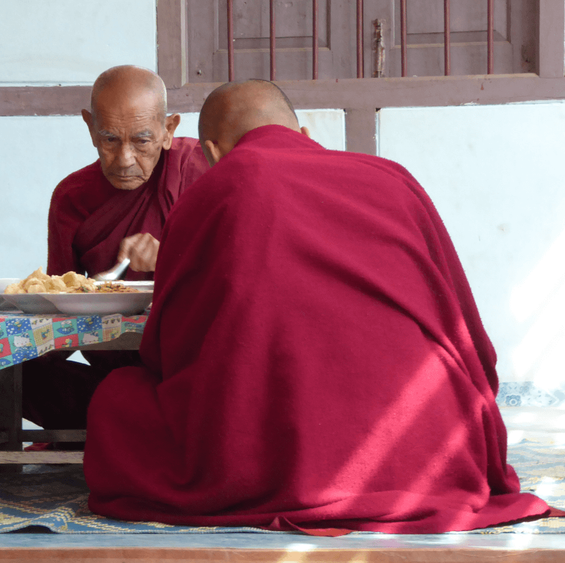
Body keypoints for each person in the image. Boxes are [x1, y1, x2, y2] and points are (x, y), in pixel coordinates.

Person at [81, 80, 553, 532]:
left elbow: (171, 347)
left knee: (116, 402)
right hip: (433, 447)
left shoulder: (215, 189)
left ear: (213, 153)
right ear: (304, 135)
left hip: (285, 452)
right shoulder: (393, 178)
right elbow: (465, 329)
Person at [22, 65, 210, 433]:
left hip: (192, 368)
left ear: (168, 130)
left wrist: (169, 257)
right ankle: (137, 431)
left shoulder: (200, 171)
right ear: (90, 127)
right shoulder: (72, 198)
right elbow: (61, 302)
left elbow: (239, 276)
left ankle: (127, 433)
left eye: (141, 140)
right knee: (18, 375)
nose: (124, 159)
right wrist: (12, 306)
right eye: (110, 139)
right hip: (118, 369)